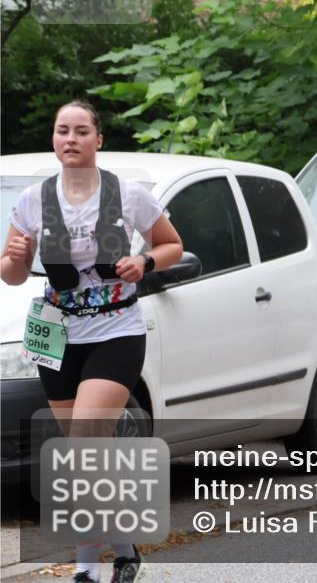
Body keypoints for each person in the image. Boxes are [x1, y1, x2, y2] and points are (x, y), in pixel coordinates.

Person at [1, 100, 183, 583]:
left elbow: (172, 245)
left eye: (82, 131)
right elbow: (12, 274)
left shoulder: (127, 195)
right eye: (63, 131)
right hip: (56, 330)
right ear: (54, 139)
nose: (71, 139)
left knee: (82, 443)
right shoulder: (32, 201)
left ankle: (85, 570)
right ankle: (125, 551)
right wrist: (16, 256)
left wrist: (144, 262)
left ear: (98, 140)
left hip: (116, 329)